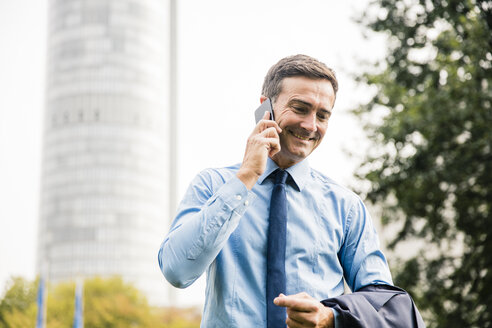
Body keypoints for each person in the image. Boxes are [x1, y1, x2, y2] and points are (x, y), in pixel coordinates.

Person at [158, 54, 424, 327]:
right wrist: (246, 176)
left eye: (322, 115)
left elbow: (383, 304)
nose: (310, 126)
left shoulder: (346, 208)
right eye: (300, 108)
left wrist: (330, 316)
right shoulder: (212, 186)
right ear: (266, 108)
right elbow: (177, 271)